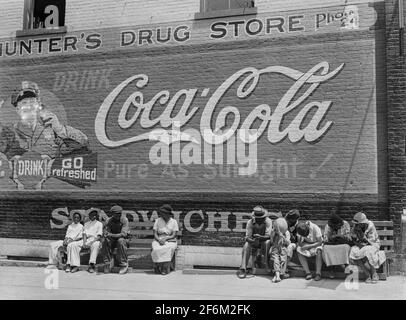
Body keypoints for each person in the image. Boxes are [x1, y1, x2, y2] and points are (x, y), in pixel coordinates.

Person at [0, 81, 89, 160]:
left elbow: (83, 144)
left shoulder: (52, 131)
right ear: (17, 109)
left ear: (38, 105)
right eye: (24, 103)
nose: (29, 106)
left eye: (32, 102)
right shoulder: (8, 133)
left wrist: (60, 130)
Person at [349, 212, 386, 284]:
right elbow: (353, 238)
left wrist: (364, 238)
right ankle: (367, 274)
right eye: (356, 224)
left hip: (373, 244)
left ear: (362, 223)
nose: (356, 225)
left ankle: (374, 273)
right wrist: (354, 238)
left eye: (358, 224)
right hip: (360, 245)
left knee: (369, 251)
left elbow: (372, 241)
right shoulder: (355, 226)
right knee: (353, 251)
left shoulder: (370, 226)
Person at [237, 206, 272, 279]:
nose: (260, 219)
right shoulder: (250, 222)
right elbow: (247, 237)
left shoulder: (268, 221)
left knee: (267, 242)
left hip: (264, 240)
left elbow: (269, 236)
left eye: (262, 217)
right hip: (254, 241)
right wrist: (253, 241)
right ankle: (243, 268)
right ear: (255, 217)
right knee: (246, 245)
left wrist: (260, 237)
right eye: (258, 218)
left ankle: (266, 265)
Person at [66, 209, 103, 273]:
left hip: (94, 239)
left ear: (96, 216)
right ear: (89, 216)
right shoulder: (86, 224)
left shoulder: (99, 224)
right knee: (73, 244)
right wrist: (84, 243)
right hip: (86, 239)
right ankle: (75, 265)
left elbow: (99, 236)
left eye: (95, 215)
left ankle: (91, 265)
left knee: (95, 244)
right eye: (92, 215)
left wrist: (91, 242)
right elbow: (84, 234)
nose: (93, 216)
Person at [151, 204, 179, 275]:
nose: (161, 214)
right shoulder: (158, 221)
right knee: (155, 248)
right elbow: (155, 234)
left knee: (169, 248)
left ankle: (165, 267)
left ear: (168, 214)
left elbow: (174, 234)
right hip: (159, 239)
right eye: (161, 213)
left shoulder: (174, 221)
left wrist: (166, 238)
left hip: (170, 239)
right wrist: (159, 240)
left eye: (163, 213)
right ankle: (156, 266)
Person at [101, 205, 130, 274]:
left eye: (120, 213)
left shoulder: (124, 220)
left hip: (124, 239)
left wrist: (110, 235)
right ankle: (107, 264)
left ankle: (124, 264)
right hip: (113, 240)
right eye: (116, 214)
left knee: (121, 241)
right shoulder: (109, 220)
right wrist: (105, 233)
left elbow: (123, 234)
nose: (118, 215)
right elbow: (105, 228)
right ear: (112, 214)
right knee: (105, 241)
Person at [322, 213, 351, 278]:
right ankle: (332, 269)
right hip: (332, 243)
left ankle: (346, 267)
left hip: (343, 243)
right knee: (327, 248)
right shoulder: (328, 226)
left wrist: (341, 236)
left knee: (345, 248)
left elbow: (348, 237)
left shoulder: (345, 224)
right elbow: (325, 238)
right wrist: (331, 236)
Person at [269, 217, 291, 283]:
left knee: (283, 258)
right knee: (276, 259)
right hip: (275, 247)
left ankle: (276, 276)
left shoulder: (286, 232)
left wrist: (282, 236)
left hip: (283, 247)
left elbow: (288, 242)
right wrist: (272, 235)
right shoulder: (273, 231)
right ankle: (278, 276)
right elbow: (271, 242)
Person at [282, 209, 301, 278]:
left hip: (293, 243)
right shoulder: (285, 222)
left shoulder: (298, 225)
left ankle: (283, 269)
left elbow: (297, 239)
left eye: (291, 219)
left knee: (289, 247)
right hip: (284, 241)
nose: (289, 220)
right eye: (288, 219)